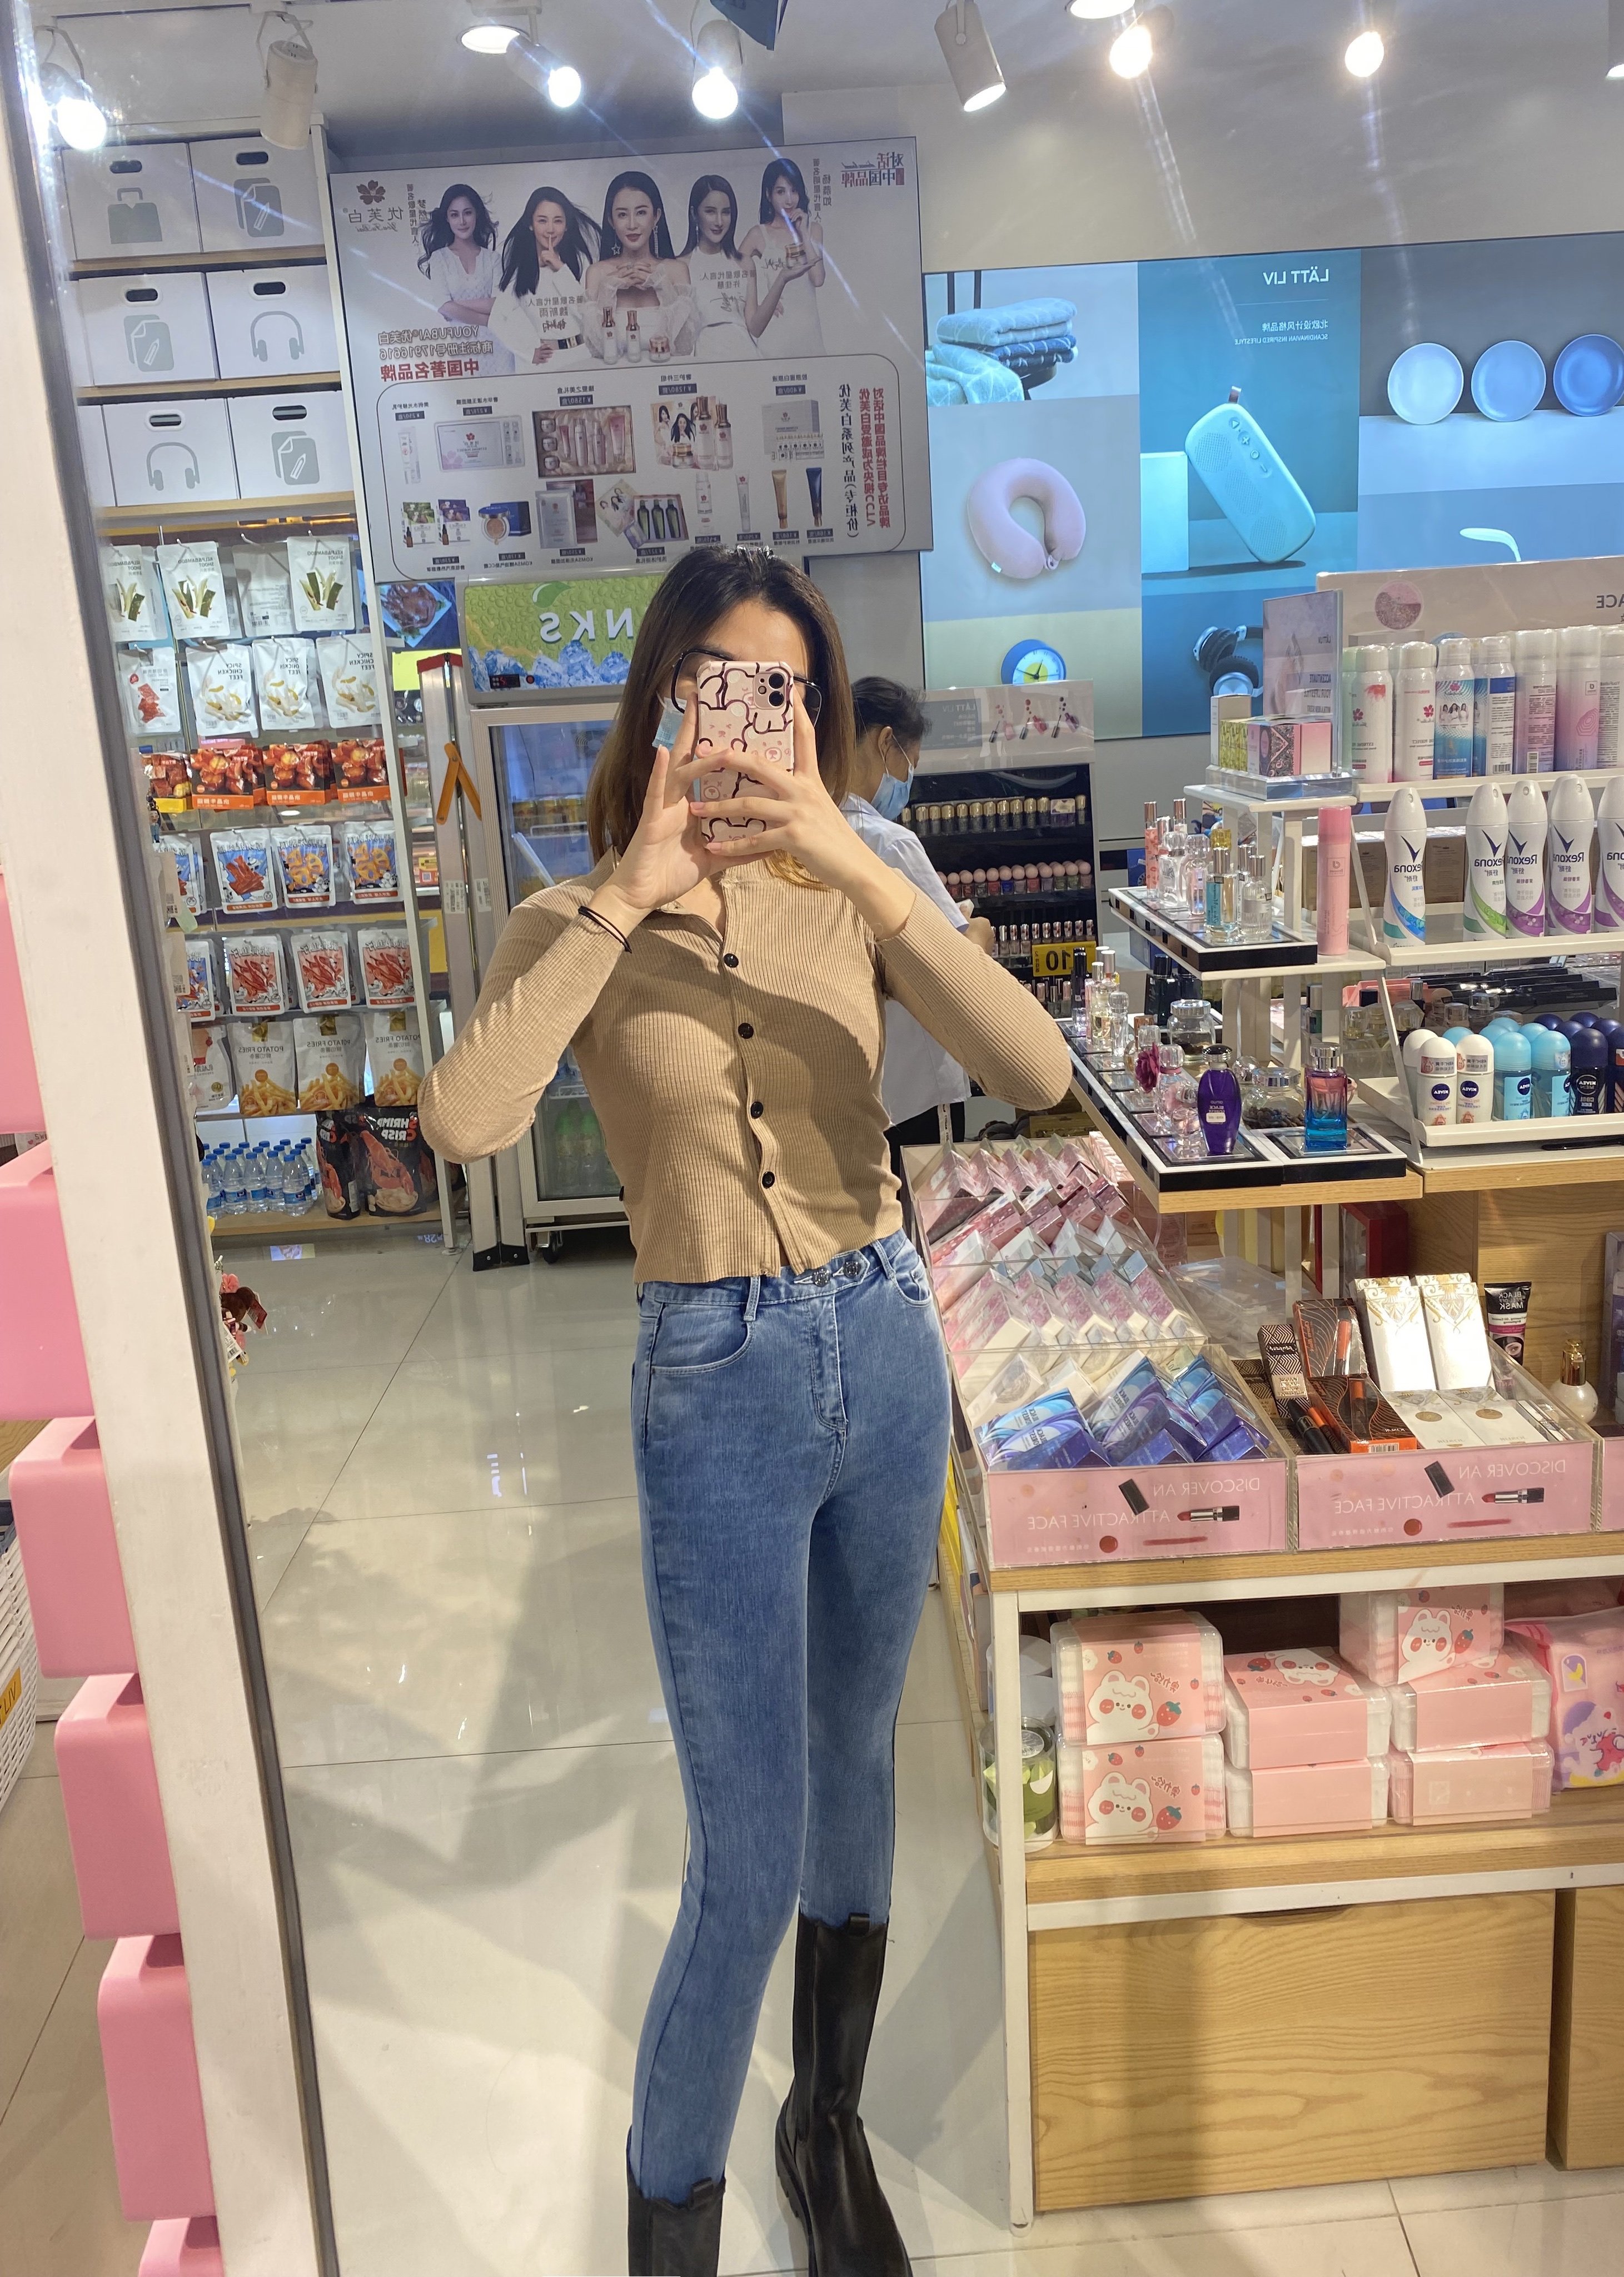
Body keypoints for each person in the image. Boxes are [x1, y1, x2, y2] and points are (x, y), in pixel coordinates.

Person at [417, 551, 1068, 2277]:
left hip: (887, 1344)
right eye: (719, 682)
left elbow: (1033, 1071)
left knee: (860, 1770)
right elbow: (465, 1122)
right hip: (713, 1380)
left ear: (816, 715)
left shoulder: (857, 884)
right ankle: (671, 2232)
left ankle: (823, 2127)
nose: (750, 721)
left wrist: (848, 855)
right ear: (660, 698)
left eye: (787, 693)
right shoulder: (571, 920)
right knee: (744, 1852)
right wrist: (637, 881)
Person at [844, 677, 996, 1174]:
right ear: (885, 742)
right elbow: (959, 966)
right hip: (915, 1086)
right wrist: (978, 929)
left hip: (850, 1083)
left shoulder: (809, 834)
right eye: (909, 765)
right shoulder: (889, 842)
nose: (907, 782)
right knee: (927, 1202)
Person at [585, 171, 697, 362]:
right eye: (622, 215)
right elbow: (597, 351)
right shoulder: (597, 273)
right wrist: (607, 292)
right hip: (617, 379)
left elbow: (684, 347)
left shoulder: (676, 271)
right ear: (612, 221)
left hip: (665, 377)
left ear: (656, 217)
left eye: (641, 213)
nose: (632, 224)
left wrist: (664, 288)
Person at [487, 185, 599, 369]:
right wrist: (528, 353)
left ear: (567, 225)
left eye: (558, 221)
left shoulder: (580, 261)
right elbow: (497, 319)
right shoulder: (522, 270)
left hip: (582, 356)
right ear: (531, 224)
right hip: (544, 364)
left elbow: (587, 315)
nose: (550, 229)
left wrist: (560, 268)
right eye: (542, 221)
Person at [743, 158, 825, 357]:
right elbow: (734, 272)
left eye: (794, 191)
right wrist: (759, 303)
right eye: (781, 192)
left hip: (809, 335)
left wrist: (803, 233)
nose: (789, 200)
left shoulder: (813, 230)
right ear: (768, 194)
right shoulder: (759, 234)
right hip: (775, 336)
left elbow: (818, 279)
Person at [679, 173, 755, 361]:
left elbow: (754, 326)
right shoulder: (680, 267)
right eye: (711, 212)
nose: (719, 222)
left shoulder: (744, 263)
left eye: (726, 212)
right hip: (706, 358)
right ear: (694, 214)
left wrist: (781, 280)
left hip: (747, 356)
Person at [417, 181, 498, 329]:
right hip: (457, 342)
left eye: (468, 213)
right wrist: (489, 321)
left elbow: (498, 305)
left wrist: (453, 305)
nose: (462, 221)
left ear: (477, 214)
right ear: (447, 218)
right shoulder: (439, 259)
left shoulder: (493, 259)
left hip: (496, 342)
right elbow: (444, 307)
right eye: (454, 215)